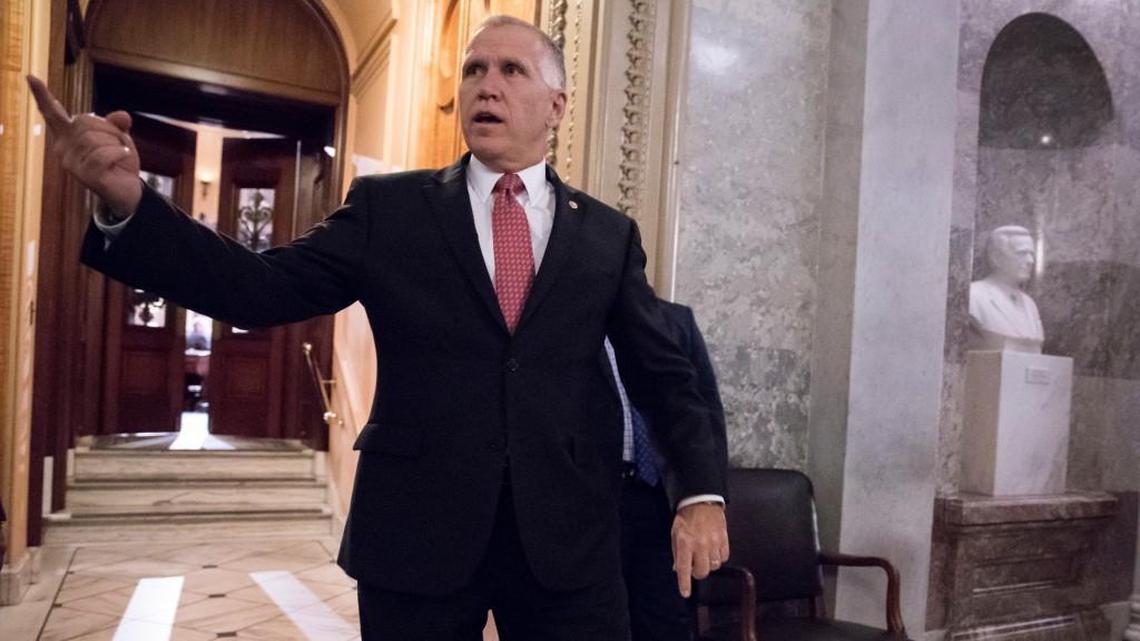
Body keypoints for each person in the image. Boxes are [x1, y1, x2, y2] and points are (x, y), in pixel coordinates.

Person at [28, 14, 728, 641]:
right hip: (418, 533)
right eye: (475, 70)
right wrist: (131, 203)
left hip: (567, 542)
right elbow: (259, 287)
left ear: (557, 105)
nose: (487, 85)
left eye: (512, 70)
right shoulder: (391, 210)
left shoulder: (606, 235)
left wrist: (700, 493)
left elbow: (666, 375)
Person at [604, 299, 726, 641]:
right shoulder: (575, 316)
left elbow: (706, 413)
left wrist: (707, 497)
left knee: (666, 621)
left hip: (661, 503)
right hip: (595, 501)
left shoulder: (675, 320)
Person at [969, 225, 1045, 353]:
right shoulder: (973, 296)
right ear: (997, 258)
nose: (1030, 261)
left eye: (1032, 254)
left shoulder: (1030, 304)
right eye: (1022, 253)